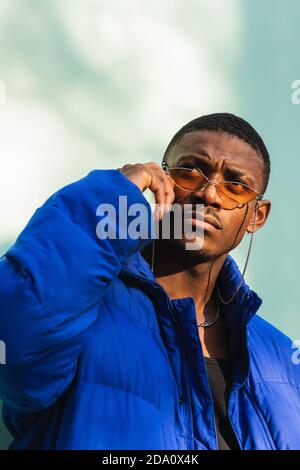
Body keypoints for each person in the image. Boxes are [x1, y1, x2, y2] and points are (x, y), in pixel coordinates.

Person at [0, 113, 299, 450]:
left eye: (235, 185)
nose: (209, 194)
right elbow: (17, 349)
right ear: (163, 180)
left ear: (256, 216)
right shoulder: (86, 303)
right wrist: (114, 193)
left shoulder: (281, 356)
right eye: (190, 171)